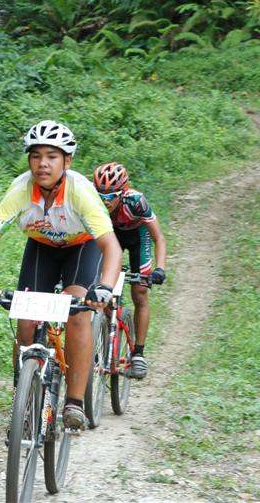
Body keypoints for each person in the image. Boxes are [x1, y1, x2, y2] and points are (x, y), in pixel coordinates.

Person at [0, 120, 123, 430]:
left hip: (82, 248)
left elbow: (112, 247)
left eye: (52, 156)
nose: (42, 164)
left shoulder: (80, 191)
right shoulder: (21, 189)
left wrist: (105, 287)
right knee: (26, 321)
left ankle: (74, 403)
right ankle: (24, 396)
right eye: (36, 156)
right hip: (41, 249)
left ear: (67, 161)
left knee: (77, 314)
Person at [92, 162, 167, 380]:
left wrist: (160, 269)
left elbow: (158, 237)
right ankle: (100, 331)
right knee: (98, 285)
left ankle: (139, 354)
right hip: (110, 235)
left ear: (123, 192)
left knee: (139, 292)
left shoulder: (136, 201)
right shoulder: (91, 199)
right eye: (101, 195)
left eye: (110, 196)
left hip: (138, 238)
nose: (105, 201)